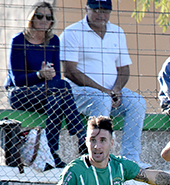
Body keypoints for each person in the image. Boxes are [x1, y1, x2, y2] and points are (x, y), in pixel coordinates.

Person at [60, 0, 149, 168]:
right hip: (79, 92)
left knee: (138, 102)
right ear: (86, 9)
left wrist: (117, 89)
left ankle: (130, 159)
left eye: (106, 11)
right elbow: (70, 71)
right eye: (96, 10)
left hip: (110, 92)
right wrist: (104, 91)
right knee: (102, 100)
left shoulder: (117, 32)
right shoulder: (72, 32)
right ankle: (98, 158)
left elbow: (124, 68)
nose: (101, 15)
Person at [5, 1, 85, 168]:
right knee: (63, 87)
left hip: (46, 94)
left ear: (52, 22)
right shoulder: (19, 40)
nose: (44, 20)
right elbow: (17, 79)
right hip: (21, 94)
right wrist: (39, 75)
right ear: (32, 18)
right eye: (39, 16)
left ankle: (50, 153)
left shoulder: (54, 41)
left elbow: (56, 78)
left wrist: (49, 75)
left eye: (48, 17)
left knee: (56, 100)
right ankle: (81, 134)